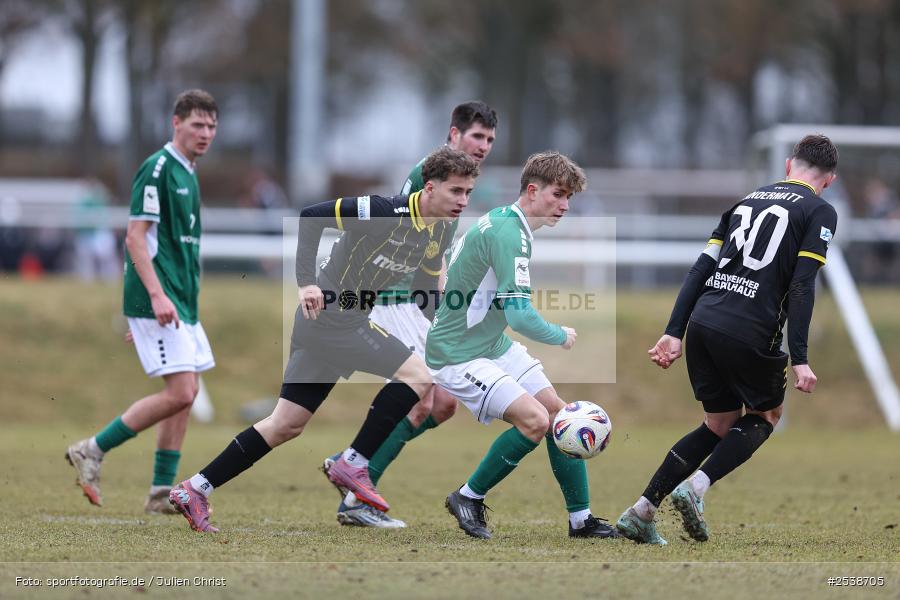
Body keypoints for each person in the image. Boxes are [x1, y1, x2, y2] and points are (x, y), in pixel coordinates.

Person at [168, 147, 479, 533]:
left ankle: (194, 489)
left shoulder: (438, 229)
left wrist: (451, 329)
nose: (463, 201)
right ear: (429, 187)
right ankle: (353, 462)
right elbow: (311, 216)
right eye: (456, 191)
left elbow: (422, 289)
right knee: (418, 376)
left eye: (468, 192)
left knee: (285, 424)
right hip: (333, 317)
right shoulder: (384, 210)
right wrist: (306, 282)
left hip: (336, 322)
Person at [616, 134, 839, 545]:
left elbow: (699, 269)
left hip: (703, 321)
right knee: (766, 416)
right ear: (829, 180)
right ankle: (696, 488)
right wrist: (801, 357)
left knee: (718, 423)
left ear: (789, 165)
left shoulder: (744, 202)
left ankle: (642, 511)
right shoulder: (820, 211)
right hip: (750, 329)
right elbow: (804, 286)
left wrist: (673, 331)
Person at [321, 100, 498, 528]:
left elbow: (435, 257)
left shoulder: (458, 178)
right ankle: (356, 486)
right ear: (453, 134)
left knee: (443, 405)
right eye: (477, 136)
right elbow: (405, 240)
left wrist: (442, 308)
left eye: (490, 140)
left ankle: (352, 465)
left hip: (414, 298)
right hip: (397, 297)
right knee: (420, 399)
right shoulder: (431, 173)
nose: (484, 146)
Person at [428, 151, 617, 540]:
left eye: (569, 198)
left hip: (490, 344)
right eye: (558, 195)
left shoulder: (504, 222)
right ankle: (468, 496)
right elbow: (519, 316)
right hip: (457, 352)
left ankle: (580, 520)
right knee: (535, 421)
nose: (564, 206)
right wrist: (558, 334)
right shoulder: (510, 234)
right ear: (533, 190)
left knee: (559, 416)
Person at [65, 89, 219, 513]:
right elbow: (135, 237)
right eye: (196, 125)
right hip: (162, 297)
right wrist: (152, 299)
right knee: (182, 390)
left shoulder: (188, 172)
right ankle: (92, 449)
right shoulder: (158, 169)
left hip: (181, 302)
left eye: (211, 127)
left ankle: (159, 493)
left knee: (187, 393)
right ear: (176, 123)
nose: (205, 133)